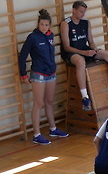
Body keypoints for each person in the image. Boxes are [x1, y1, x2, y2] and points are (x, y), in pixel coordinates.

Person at [60, 0, 108, 111]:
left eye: (84, 12)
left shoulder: (86, 22)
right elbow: (67, 47)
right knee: (80, 62)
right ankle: (85, 97)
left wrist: (95, 49)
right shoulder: (66, 24)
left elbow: (91, 42)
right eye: (81, 12)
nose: (83, 14)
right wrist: (84, 53)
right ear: (74, 10)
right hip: (72, 52)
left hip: (85, 49)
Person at [18, 9, 69, 145]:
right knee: (38, 103)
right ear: (38, 24)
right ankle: (36, 134)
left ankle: (53, 128)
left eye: (46, 25)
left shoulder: (50, 35)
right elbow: (22, 56)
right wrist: (23, 74)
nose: (44, 27)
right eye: (41, 24)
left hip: (51, 73)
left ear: (49, 26)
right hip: (38, 74)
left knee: (49, 101)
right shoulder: (32, 37)